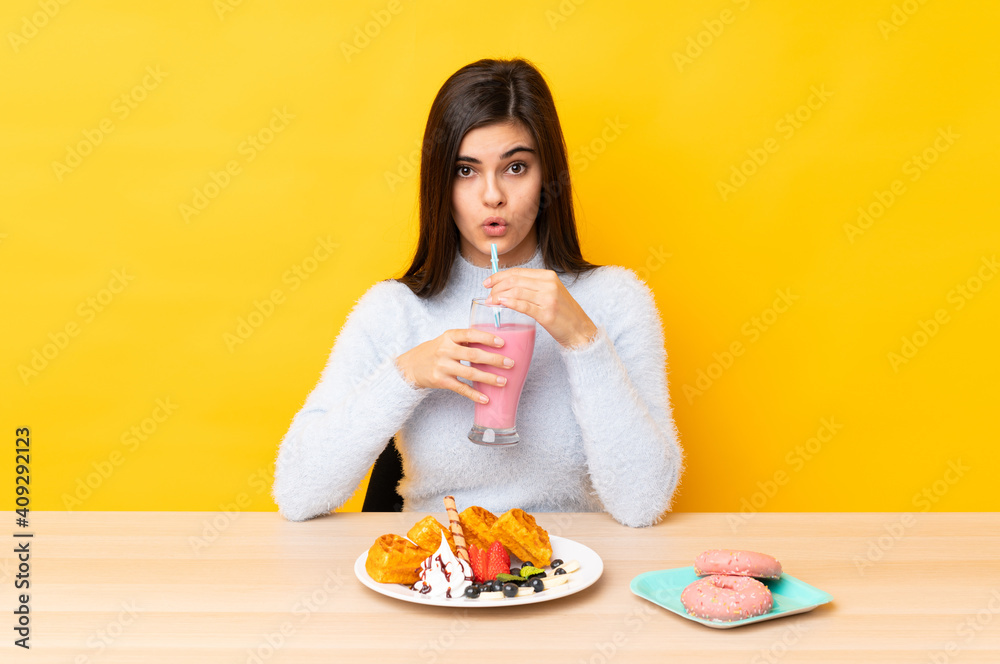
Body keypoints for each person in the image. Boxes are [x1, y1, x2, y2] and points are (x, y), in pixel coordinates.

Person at [272, 57, 682, 527]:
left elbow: (644, 503)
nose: (492, 196)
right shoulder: (395, 310)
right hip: (441, 574)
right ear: (440, 184)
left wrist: (583, 340)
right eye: (466, 171)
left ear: (547, 176)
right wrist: (406, 374)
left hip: (574, 572)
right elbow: (296, 493)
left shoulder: (614, 298)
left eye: (515, 167)